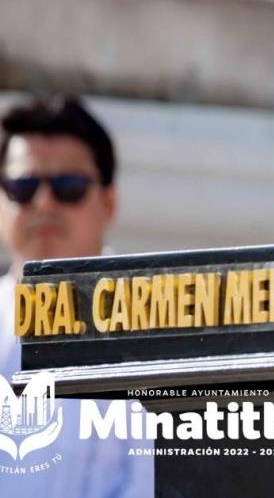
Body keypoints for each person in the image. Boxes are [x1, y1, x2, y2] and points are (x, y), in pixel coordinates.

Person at [0, 96, 152, 496]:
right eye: (22, 186)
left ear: (109, 200)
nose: (44, 203)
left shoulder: (156, 329)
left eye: (68, 187)